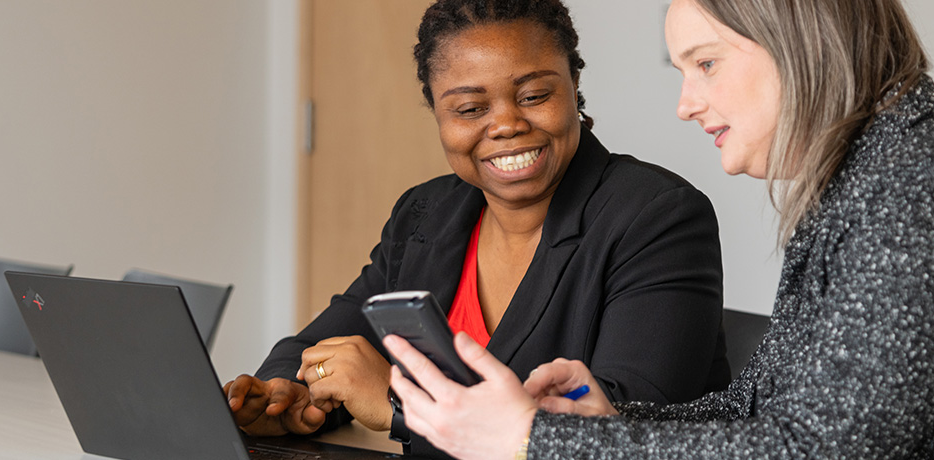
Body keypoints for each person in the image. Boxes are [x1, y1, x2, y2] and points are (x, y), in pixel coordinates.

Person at [381, 0, 934, 458]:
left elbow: (814, 450)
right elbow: (765, 410)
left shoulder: (926, 194)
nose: (686, 102)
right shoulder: (866, 178)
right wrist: (607, 418)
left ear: (796, 40)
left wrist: (532, 442)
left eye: (705, 63)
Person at [223, 1, 732, 458]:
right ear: (439, 115)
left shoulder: (657, 216)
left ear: (574, 88)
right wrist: (281, 394)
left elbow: (627, 434)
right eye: (470, 109)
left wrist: (398, 404)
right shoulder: (427, 211)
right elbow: (324, 339)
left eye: (534, 95)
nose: (507, 124)